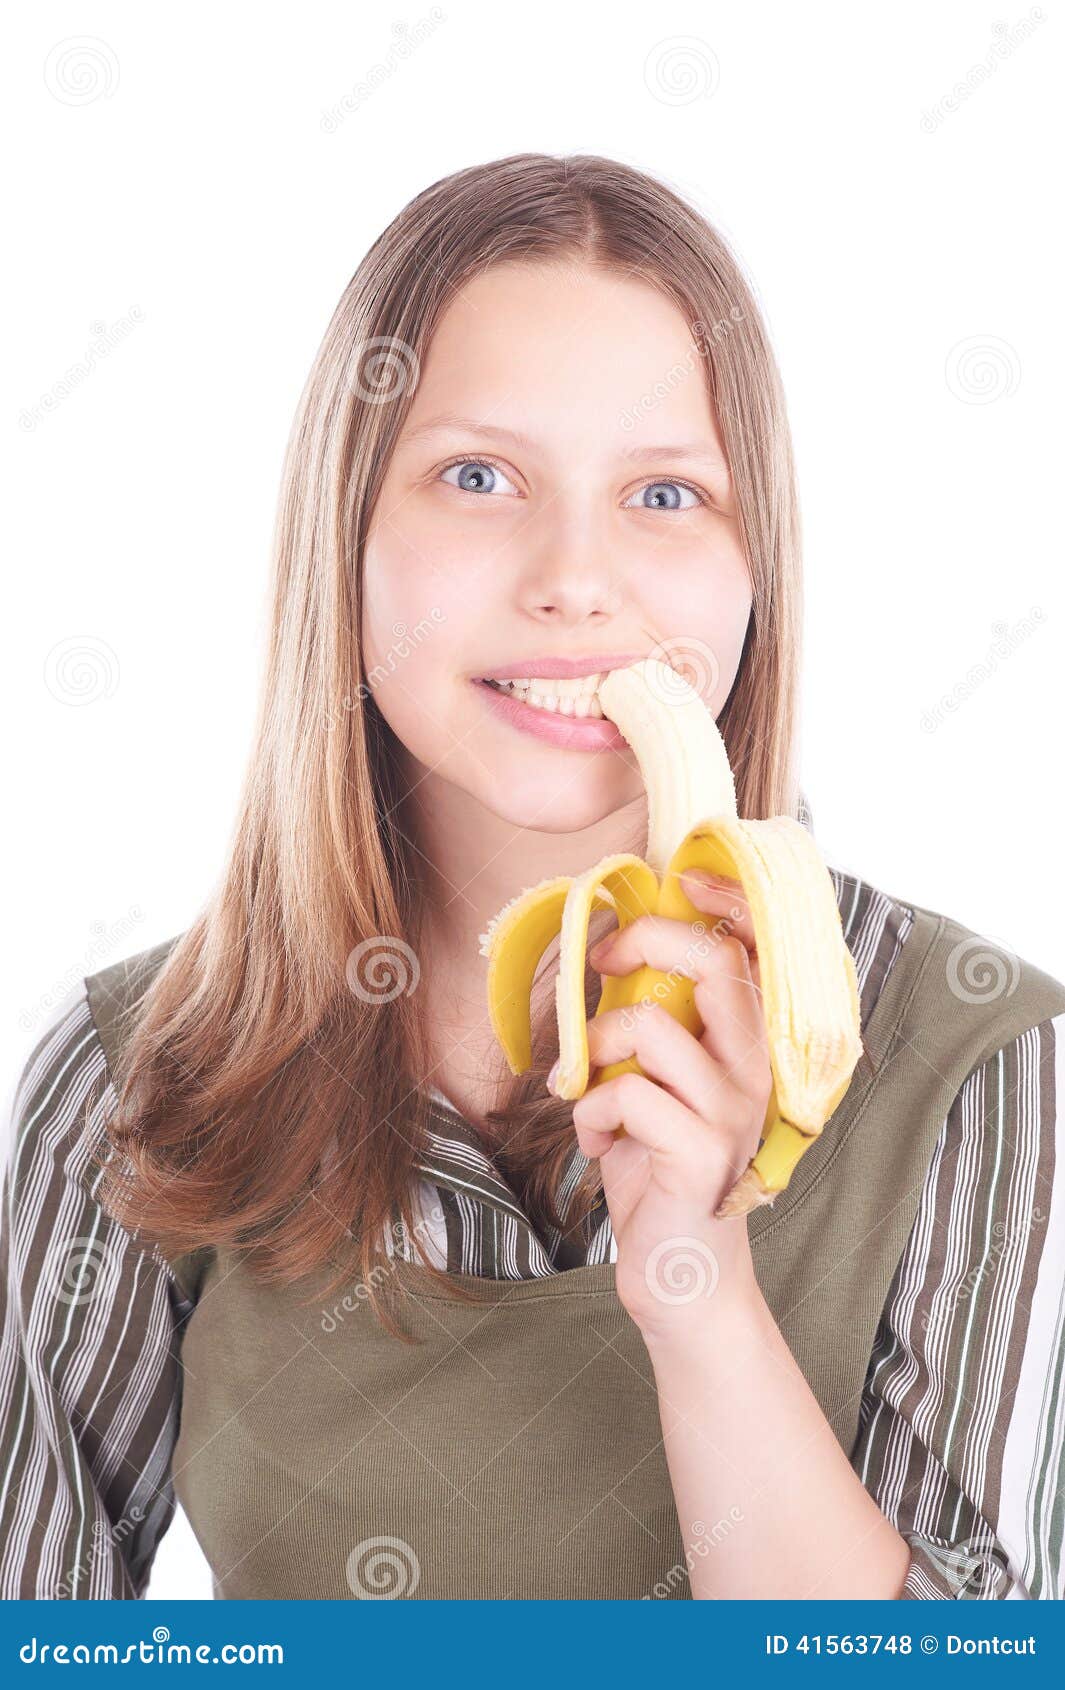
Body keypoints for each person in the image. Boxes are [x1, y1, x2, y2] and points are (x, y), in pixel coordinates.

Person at [3, 153, 1063, 1602]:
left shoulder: (983, 1069)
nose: (575, 577)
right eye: (478, 475)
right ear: (348, 535)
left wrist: (692, 1282)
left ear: (757, 569)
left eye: (667, 493)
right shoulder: (133, 1078)